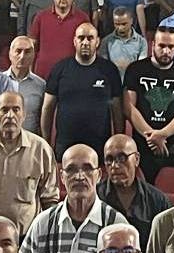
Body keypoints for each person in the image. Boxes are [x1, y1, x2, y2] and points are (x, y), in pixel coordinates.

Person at [21, 143, 129, 253]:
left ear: (99, 175)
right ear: (61, 177)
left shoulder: (116, 226)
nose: (79, 176)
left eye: (87, 169)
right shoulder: (43, 224)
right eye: (71, 170)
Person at [0, 90, 57, 228]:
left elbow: (50, 200)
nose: (10, 115)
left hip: (26, 236)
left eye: (16, 110)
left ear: (24, 115)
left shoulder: (41, 150)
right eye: (4, 110)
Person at [124, 26, 174, 185]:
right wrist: (151, 136)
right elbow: (128, 107)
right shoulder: (135, 69)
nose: (166, 51)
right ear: (153, 45)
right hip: (142, 145)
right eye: (161, 46)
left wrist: (162, 134)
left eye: (171, 47)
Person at [43, 23, 124, 154]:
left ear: (97, 42)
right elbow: (47, 108)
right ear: (74, 41)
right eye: (81, 38)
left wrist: (119, 143)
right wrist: (46, 142)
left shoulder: (109, 70)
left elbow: (117, 110)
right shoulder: (59, 69)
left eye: (90, 38)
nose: (85, 42)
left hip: (100, 146)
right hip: (65, 146)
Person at [98, 133, 174, 248]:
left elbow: (167, 246)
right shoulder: (95, 197)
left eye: (122, 158)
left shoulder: (158, 201)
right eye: (109, 159)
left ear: (136, 159)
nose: (115, 165)